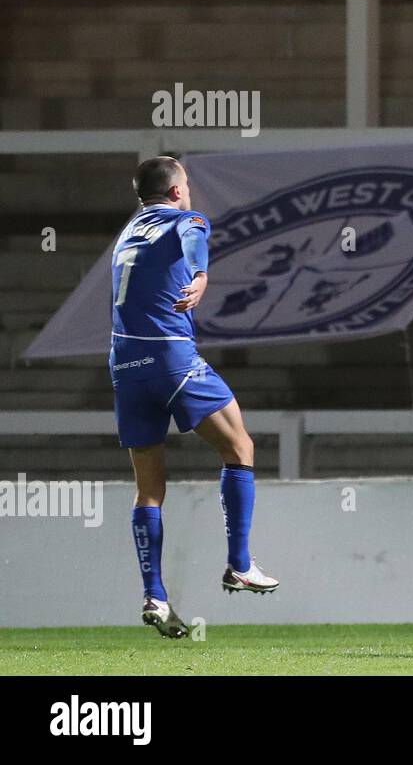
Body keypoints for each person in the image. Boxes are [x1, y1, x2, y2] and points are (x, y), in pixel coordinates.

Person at [111, 156, 278, 640]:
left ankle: (155, 596)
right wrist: (201, 276)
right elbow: (193, 239)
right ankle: (240, 565)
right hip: (170, 358)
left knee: (148, 489)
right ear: (178, 190)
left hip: (125, 366)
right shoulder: (187, 219)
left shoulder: (127, 236)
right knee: (239, 447)